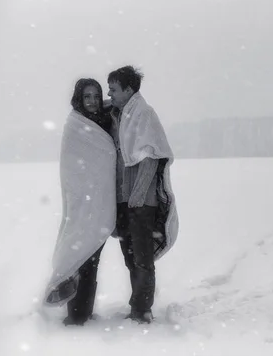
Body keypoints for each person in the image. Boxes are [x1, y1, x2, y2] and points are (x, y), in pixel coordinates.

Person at [107, 65, 179, 324]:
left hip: (141, 201)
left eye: (114, 89)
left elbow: (150, 157)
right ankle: (137, 305)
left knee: (142, 258)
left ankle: (142, 310)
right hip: (125, 200)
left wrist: (137, 198)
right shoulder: (124, 113)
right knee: (130, 256)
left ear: (129, 89)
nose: (109, 93)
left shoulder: (143, 114)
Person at [43, 78, 117, 326]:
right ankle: (77, 315)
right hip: (81, 207)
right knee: (80, 259)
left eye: (96, 96)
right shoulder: (75, 126)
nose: (93, 101)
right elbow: (71, 172)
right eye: (87, 97)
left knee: (92, 260)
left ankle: (84, 311)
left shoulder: (106, 121)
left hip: (102, 205)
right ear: (78, 99)